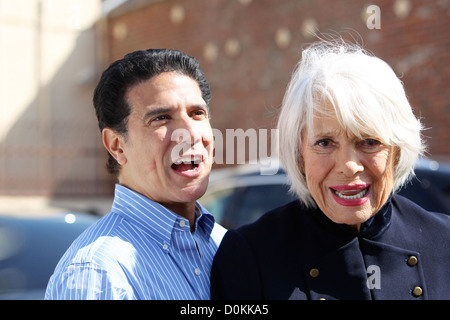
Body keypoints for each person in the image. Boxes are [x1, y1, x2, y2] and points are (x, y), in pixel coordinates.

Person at [210, 40, 450, 300]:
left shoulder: (444, 242)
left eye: (369, 142)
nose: (348, 166)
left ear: (397, 151)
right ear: (299, 154)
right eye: (324, 143)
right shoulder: (248, 256)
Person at [45, 49, 226, 300]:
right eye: (161, 118)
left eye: (197, 113)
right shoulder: (99, 274)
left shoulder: (223, 243)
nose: (190, 134)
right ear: (117, 145)